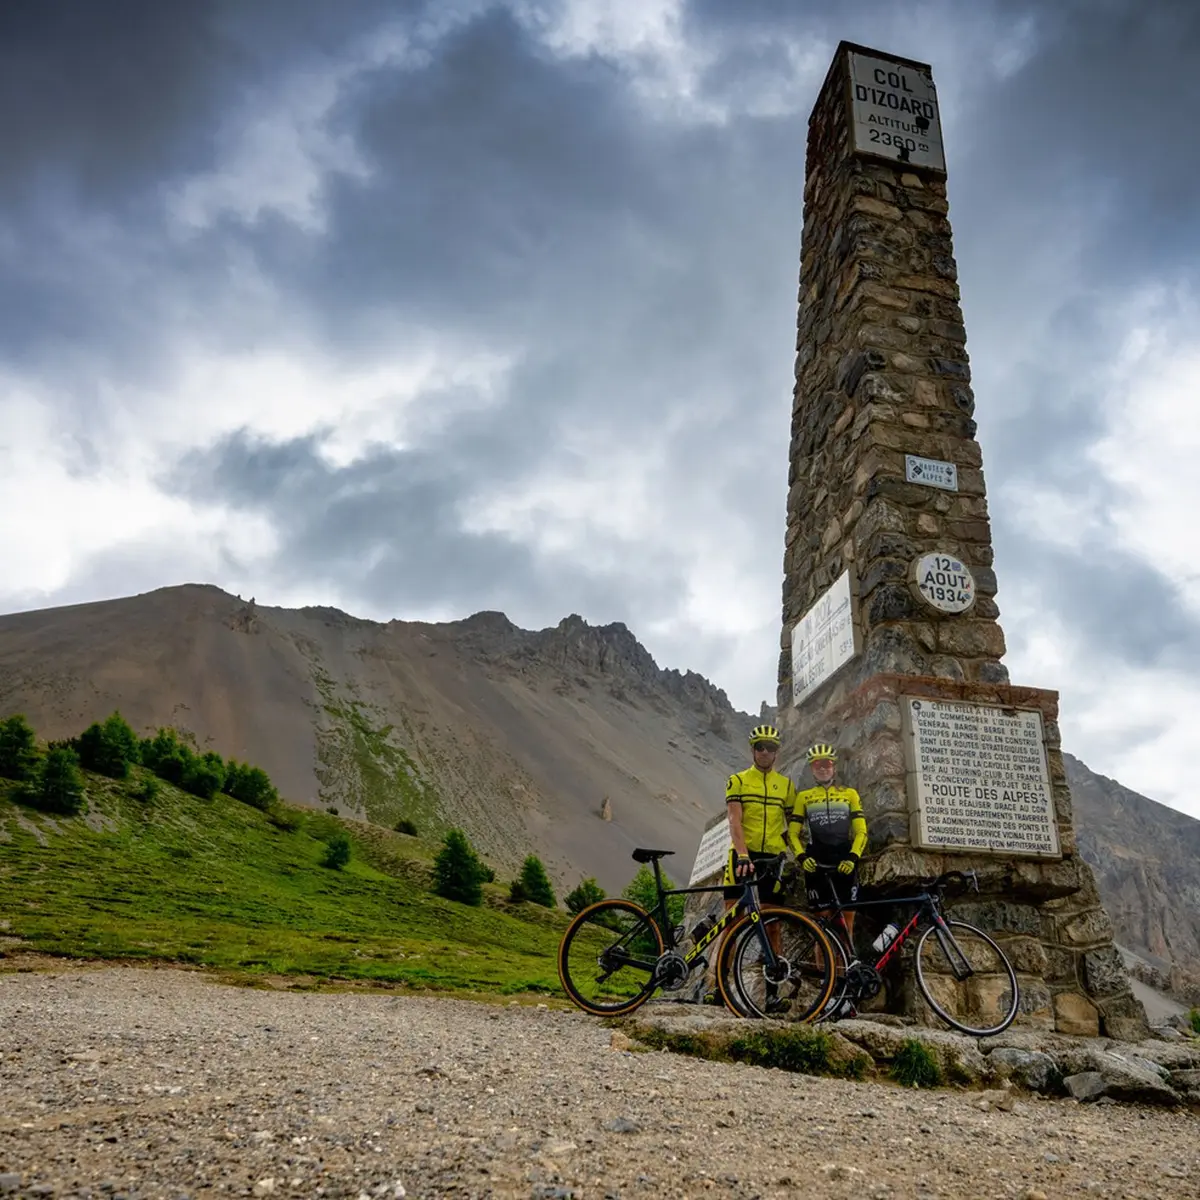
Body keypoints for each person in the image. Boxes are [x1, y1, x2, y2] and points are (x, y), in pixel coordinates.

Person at [788, 742, 868, 944]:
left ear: (834, 767)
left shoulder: (849, 794)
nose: (823, 768)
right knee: (821, 928)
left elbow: (861, 832)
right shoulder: (804, 797)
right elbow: (792, 834)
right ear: (812, 769)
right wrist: (801, 857)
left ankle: (843, 974)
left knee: (846, 925)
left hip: (845, 862)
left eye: (827, 764)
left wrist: (853, 857)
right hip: (817, 865)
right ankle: (824, 975)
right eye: (817, 765)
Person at [723, 723, 797, 892]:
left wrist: (793, 853)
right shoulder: (737, 780)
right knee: (735, 907)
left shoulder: (787, 786)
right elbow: (734, 820)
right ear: (753, 750)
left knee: (771, 911)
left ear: (776, 753)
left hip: (773, 856)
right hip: (744, 851)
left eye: (770, 748)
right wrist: (742, 854)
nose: (764, 752)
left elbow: (793, 825)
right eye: (760, 747)